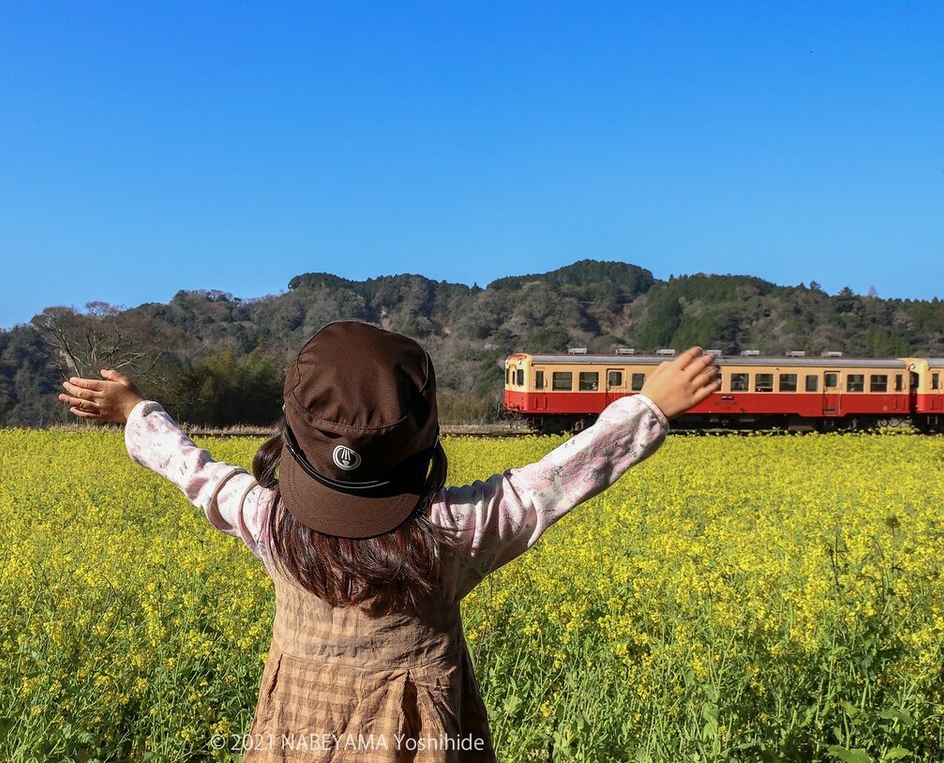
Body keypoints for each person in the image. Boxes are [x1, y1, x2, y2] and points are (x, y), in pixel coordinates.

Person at [59, 321, 720, 762]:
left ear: (294, 438)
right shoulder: (454, 533)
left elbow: (194, 470)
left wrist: (135, 411)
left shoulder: (269, 520)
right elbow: (552, 483)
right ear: (423, 436)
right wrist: (647, 409)